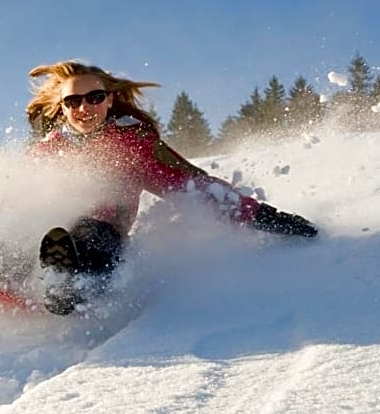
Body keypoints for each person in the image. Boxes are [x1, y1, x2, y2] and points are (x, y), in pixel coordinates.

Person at [26, 60, 317, 313]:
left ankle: (72, 285)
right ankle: (27, 268)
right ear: (62, 108)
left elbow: (193, 185)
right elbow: (13, 195)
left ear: (110, 100)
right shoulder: (47, 151)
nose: (84, 107)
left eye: (95, 97)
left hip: (103, 233)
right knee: (28, 231)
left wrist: (263, 216)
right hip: (46, 233)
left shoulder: (132, 143)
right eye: (73, 101)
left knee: (92, 234)